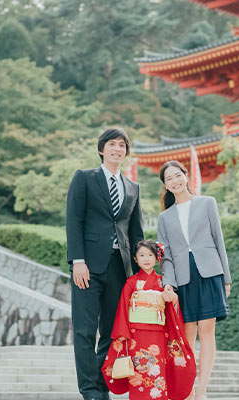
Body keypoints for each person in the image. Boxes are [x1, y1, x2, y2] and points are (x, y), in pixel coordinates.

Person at [66, 127, 145, 400]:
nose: (117, 149)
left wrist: (141, 277)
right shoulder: (84, 179)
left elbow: (136, 235)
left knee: (112, 333)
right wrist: (77, 261)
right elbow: (74, 221)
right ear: (102, 149)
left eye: (122, 145)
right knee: (85, 331)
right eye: (112, 144)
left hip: (119, 269)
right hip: (87, 267)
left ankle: (101, 387)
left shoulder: (133, 188)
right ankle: (89, 391)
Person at [156, 160, 232, 400]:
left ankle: (202, 389)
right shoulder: (164, 218)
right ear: (165, 186)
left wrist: (226, 279)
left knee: (207, 332)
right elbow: (165, 256)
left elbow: (219, 241)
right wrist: (168, 283)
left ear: (186, 177)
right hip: (182, 279)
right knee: (187, 336)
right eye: (170, 179)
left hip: (210, 273)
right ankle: (187, 389)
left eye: (178, 176)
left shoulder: (207, 203)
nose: (175, 181)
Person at [102, 240, 196, 400]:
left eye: (150, 255)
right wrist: (123, 333)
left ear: (157, 258)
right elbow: (123, 308)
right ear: (135, 259)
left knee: (157, 372)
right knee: (138, 373)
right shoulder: (131, 283)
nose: (146, 258)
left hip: (157, 335)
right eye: (142, 255)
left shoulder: (163, 283)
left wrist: (172, 299)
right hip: (135, 335)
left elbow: (171, 309)